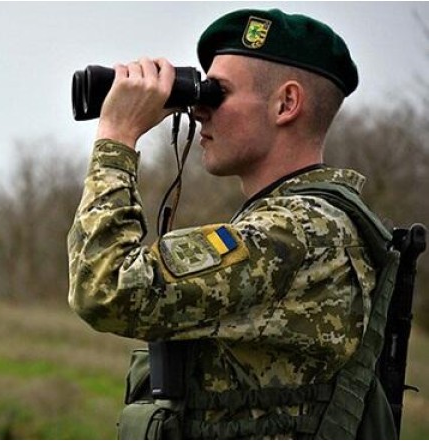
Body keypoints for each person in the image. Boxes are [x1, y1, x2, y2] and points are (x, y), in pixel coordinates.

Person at [68, 8, 391, 439]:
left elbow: (105, 288)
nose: (200, 109)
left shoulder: (299, 233)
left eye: (218, 92)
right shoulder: (298, 225)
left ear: (286, 104)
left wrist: (117, 135)